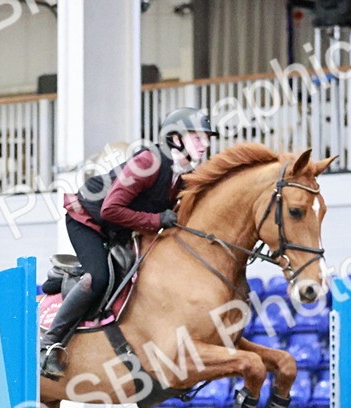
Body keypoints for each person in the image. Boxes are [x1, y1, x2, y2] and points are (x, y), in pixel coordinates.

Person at [41, 107, 218, 380]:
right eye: (198, 137)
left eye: (206, 138)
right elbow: (111, 209)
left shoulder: (182, 175)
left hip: (119, 229)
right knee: (98, 278)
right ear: (176, 139)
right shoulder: (149, 162)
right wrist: (157, 219)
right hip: (88, 219)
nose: (205, 144)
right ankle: (50, 344)